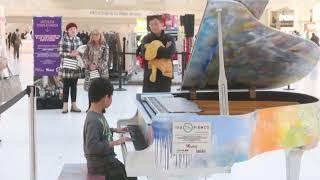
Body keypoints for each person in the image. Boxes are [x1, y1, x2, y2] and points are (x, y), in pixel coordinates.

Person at [83, 78, 137, 180]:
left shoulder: (97, 113)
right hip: (101, 166)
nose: (111, 99)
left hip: (104, 161)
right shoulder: (93, 120)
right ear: (105, 98)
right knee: (130, 175)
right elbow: (92, 146)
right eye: (111, 96)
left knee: (131, 172)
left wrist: (114, 130)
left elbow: (101, 131)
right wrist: (116, 142)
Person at [141, 15, 176, 92]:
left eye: (156, 23)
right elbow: (145, 54)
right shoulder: (146, 38)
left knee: (164, 100)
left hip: (165, 75)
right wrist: (164, 49)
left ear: (162, 24)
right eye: (151, 24)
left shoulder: (169, 38)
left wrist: (152, 50)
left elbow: (169, 53)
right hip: (149, 76)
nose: (153, 26)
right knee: (148, 100)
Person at [58, 22, 83, 113]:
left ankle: (74, 105)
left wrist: (79, 53)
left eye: (74, 29)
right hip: (66, 66)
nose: (73, 30)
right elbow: (60, 52)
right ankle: (65, 106)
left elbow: (82, 51)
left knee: (74, 86)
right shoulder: (63, 40)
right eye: (71, 29)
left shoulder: (78, 39)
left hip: (75, 66)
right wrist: (70, 54)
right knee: (65, 86)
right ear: (67, 30)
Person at [83, 29, 109, 111]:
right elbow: (85, 56)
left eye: (97, 34)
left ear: (100, 35)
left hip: (101, 71)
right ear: (92, 36)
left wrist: (96, 65)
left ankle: (102, 107)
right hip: (90, 70)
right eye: (94, 34)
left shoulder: (105, 45)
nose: (95, 36)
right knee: (91, 89)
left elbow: (106, 59)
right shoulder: (89, 44)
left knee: (101, 89)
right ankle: (90, 106)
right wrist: (89, 64)